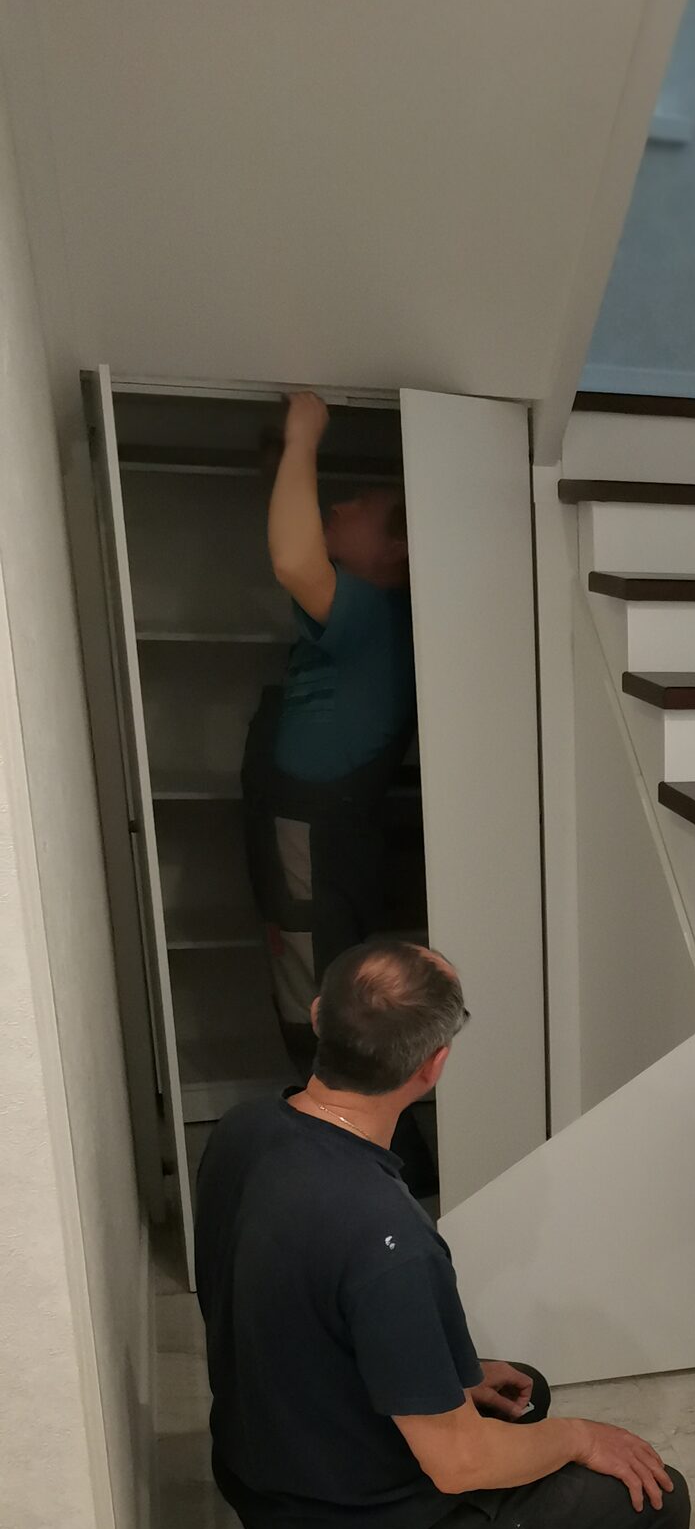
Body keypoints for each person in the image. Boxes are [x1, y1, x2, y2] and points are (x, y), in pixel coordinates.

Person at [195, 937, 690, 1529]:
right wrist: (580, 1439)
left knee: (523, 1390)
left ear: (317, 1014)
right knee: (658, 1506)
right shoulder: (386, 1235)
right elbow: (461, 1465)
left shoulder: (243, 1130)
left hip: (260, 1471)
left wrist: (457, 1377)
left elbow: (286, 1310)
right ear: (433, 1066)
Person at [243, 391, 416, 1086]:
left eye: (360, 506)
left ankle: (339, 1119)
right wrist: (285, 462)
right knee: (319, 979)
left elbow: (293, 558)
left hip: (314, 835)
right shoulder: (368, 607)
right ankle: (349, 1120)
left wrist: (305, 433)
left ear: (396, 549)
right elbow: (302, 539)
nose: (339, 508)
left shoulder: (375, 613)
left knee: (315, 997)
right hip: (312, 829)